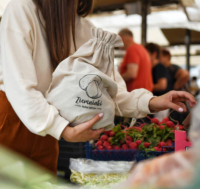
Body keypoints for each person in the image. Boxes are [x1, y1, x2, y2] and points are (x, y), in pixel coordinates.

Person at [0, 0, 196, 174]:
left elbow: (110, 89)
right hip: (11, 120)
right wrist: (61, 128)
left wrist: (152, 101)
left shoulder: (84, 28)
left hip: (48, 128)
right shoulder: (21, 9)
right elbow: (19, 85)